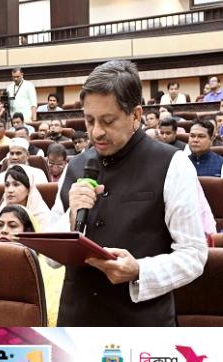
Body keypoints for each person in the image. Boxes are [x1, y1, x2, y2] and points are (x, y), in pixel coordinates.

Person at [53, 60, 208, 326]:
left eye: (108, 120)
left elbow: (194, 255)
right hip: (76, 322)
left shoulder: (172, 163)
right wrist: (69, 220)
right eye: (89, 120)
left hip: (142, 329)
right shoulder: (76, 164)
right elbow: (51, 258)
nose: (96, 131)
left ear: (136, 115)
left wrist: (139, 270)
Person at [0, 205, 64, 326]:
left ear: (27, 231)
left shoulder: (43, 268)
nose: (3, 230)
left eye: (12, 225)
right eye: (0, 224)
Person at [0, 165, 51, 234]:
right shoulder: (0, 212)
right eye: (7, 185)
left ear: (29, 189)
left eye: (16, 185)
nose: (10, 190)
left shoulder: (42, 216)